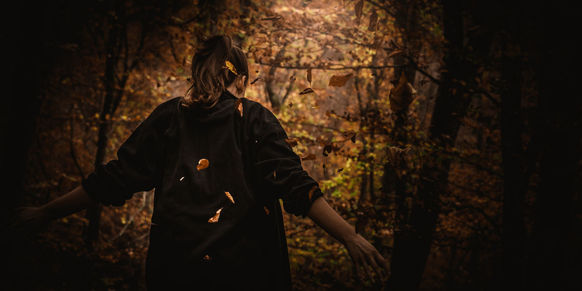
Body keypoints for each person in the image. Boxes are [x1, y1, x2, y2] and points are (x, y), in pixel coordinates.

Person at [13, 35, 389, 290]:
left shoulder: (168, 119)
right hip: (248, 277)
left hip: (173, 275)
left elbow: (113, 179)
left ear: (197, 74)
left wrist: (47, 211)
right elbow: (295, 185)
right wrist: (349, 235)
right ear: (240, 79)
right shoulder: (255, 119)